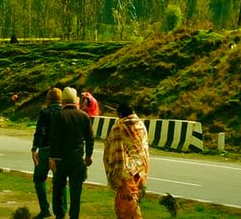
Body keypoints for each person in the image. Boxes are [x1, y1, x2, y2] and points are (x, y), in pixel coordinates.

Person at [49, 87, 94, 219]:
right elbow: (90, 138)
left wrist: (52, 158)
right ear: (76, 101)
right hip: (77, 160)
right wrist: (88, 155)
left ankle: (59, 214)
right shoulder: (84, 116)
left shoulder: (58, 115)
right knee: (76, 191)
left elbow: (54, 138)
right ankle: (74, 216)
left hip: (60, 160)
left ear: (63, 101)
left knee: (58, 189)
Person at [103, 103, 151, 218]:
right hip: (140, 171)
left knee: (125, 208)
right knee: (133, 204)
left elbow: (117, 155)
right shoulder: (141, 125)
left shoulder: (119, 128)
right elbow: (143, 150)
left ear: (120, 114)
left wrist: (118, 180)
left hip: (125, 175)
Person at [31, 88, 63, 219]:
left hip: (45, 149)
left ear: (48, 99)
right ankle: (61, 212)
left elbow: (39, 131)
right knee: (60, 181)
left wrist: (34, 148)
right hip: (60, 151)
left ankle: (45, 209)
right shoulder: (64, 112)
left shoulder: (45, 113)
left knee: (39, 179)